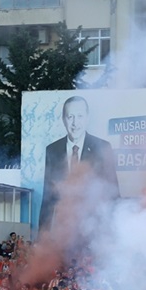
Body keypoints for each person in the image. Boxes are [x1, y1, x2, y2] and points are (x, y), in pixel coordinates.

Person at [38, 95, 120, 229]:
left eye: (80, 116)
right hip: (64, 227)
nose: (75, 123)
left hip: (94, 226)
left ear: (87, 118)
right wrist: (41, 235)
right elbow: (48, 197)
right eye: (70, 117)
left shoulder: (102, 147)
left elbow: (113, 191)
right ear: (64, 120)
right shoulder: (53, 149)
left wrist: (114, 230)